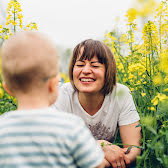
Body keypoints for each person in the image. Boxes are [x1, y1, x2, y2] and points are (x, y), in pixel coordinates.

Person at [0, 32, 105, 168]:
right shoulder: (72, 127)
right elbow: (97, 165)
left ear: (7, 88)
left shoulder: (2, 128)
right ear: (52, 85)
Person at [53, 39, 142, 168]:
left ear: (108, 71)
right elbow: (55, 147)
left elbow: (134, 149)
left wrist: (103, 164)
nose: (86, 70)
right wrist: (100, 146)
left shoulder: (121, 93)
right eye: (79, 65)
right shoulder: (62, 95)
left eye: (95, 66)